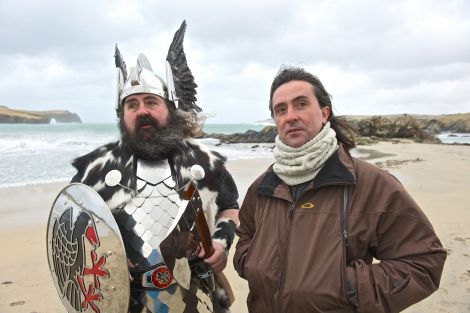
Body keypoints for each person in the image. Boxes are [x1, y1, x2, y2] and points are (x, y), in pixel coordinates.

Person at [233, 66, 446, 313]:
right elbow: (246, 236)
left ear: (324, 113)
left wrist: (344, 286)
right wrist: (252, 264)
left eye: (300, 104)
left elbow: (423, 263)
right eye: (281, 109)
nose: (290, 115)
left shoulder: (369, 184)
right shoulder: (263, 187)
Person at [71, 21, 239, 313]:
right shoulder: (94, 170)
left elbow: (230, 207)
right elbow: (74, 232)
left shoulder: (204, 163)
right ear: (122, 115)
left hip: (196, 295)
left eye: (151, 101)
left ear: (170, 109)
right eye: (132, 105)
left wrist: (221, 243)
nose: (142, 111)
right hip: (124, 300)